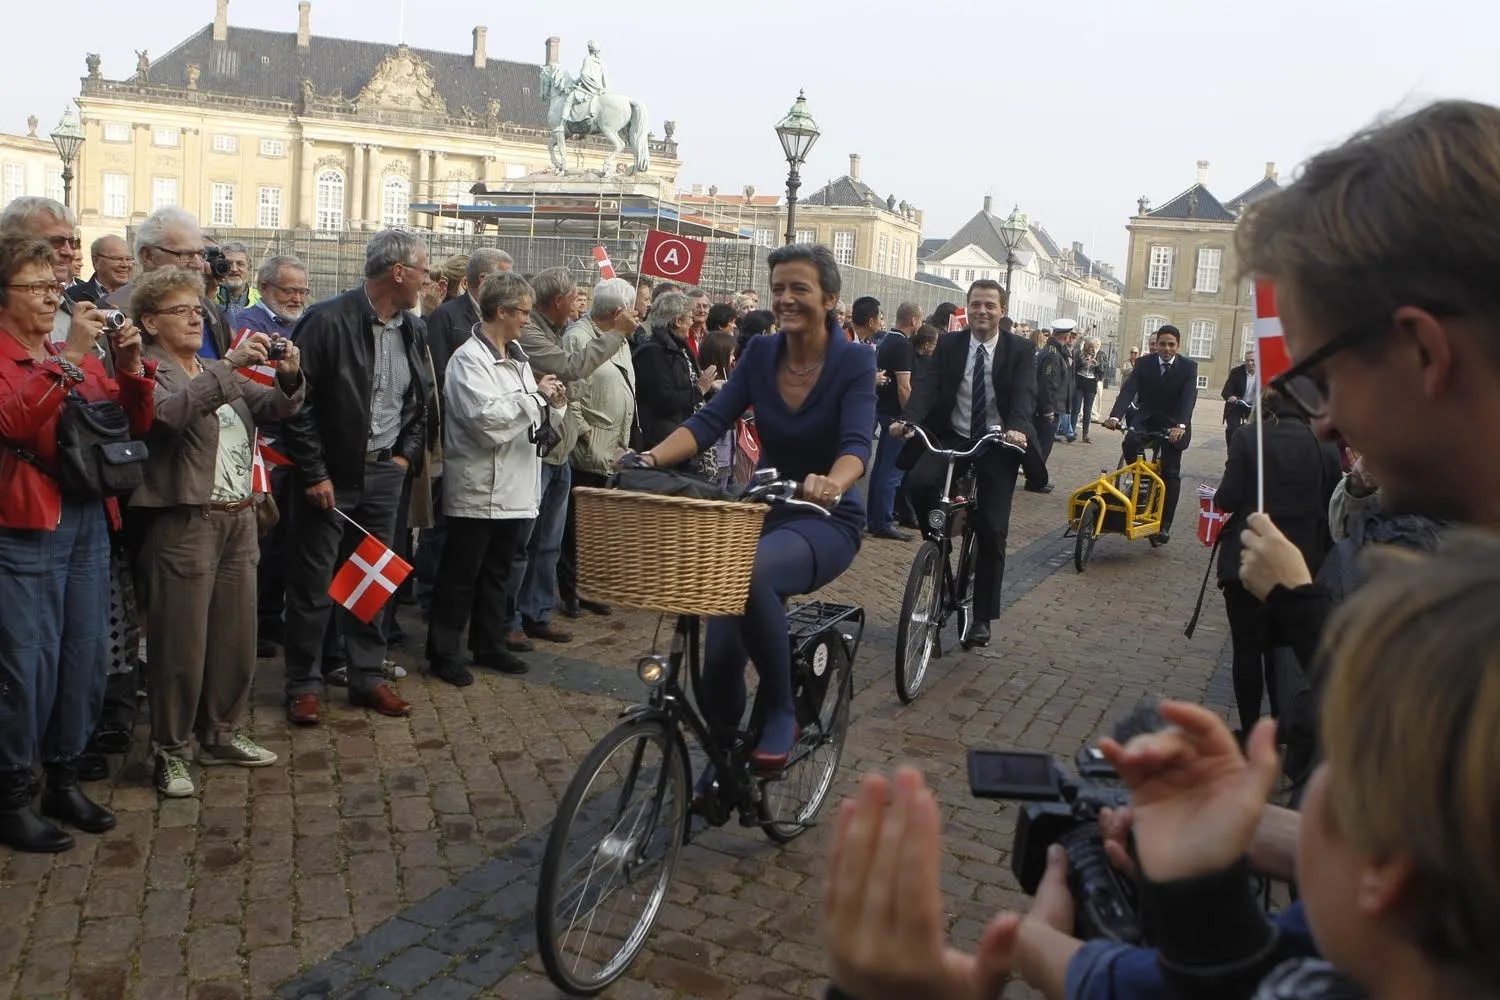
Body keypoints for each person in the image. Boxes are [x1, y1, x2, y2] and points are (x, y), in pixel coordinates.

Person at [632, 243, 874, 771]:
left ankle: (783, 709)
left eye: (799, 289)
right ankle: (723, 770)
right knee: (718, 658)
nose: (785, 299)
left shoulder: (853, 360)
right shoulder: (761, 353)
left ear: (830, 298)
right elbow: (709, 421)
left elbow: (857, 444)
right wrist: (648, 458)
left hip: (824, 518)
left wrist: (832, 483)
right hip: (762, 509)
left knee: (752, 574)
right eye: (779, 289)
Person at [0, 235, 155, 852]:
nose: (49, 297)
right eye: (35, 288)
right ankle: (14, 792)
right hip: (26, 522)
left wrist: (132, 368)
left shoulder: (76, 349)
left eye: (52, 287)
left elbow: (125, 424)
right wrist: (67, 358)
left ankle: (63, 774)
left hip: (90, 517)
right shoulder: (24, 352)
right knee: (26, 663)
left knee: (85, 655)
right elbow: (14, 420)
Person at [128, 266, 304, 797]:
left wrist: (291, 374)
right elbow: (169, 416)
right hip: (184, 521)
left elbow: (271, 406)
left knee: (234, 638)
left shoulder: (209, 365)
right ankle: (171, 749)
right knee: (180, 645)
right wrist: (228, 366)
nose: (195, 317)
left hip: (239, 516)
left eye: (197, 310)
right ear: (150, 321)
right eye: (181, 310)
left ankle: (222, 732)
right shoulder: (147, 370)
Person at [280, 229, 434, 725]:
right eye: (423, 270)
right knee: (313, 582)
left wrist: (405, 457)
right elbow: (296, 405)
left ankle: (366, 675)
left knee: (372, 580)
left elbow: (420, 402)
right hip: (331, 477)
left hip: (386, 472)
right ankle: (303, 682)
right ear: (398, 272)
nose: (427, 281)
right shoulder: (327, 321)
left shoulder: (412, 328)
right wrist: (314, 472)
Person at [426, 272, 566, 686]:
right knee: (460, 575)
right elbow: (485, 420)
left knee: (498, 572)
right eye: (523, 312)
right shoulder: (469, 359)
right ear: (500, 311)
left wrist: (550, 405)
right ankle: (444, 651)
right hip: (480, 487)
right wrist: (534, 398)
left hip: (517, 486)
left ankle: (489, 643)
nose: (528, 319)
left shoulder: (519, 357)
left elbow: (526, 415)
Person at [894, 280, 1034, 650]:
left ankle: (983, 617)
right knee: (920, 484)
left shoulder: (1020, 349)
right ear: (966, 309)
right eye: (975, 304)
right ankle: (936, 546)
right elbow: (927, 386)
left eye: (989, 305)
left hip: (997, 440)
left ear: (1001, 311)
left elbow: (1024, 393)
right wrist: (909, 420)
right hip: (953, 435)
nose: (981, 311)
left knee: (991, 527)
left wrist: (1018, 428)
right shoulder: (950, 344)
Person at [1214, 387, 1341, 734]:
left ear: (1269, 403)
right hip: (1300, 563)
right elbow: (1333, 507)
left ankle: (1252, 730)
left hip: (1249, 554)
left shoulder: (1247, 436)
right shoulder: (1326, 447)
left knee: (1247, 649)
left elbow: (1227, 497)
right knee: (1284, 651)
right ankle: (1283, 727)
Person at [1103, 324, 1197, 544]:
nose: (1166, 349)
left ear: (1178, 346)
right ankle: (1141, 477)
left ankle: (1164, 525)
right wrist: (1115, 416)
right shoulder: (1145, 364)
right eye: (1162, 344)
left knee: (1171, 472)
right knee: (1130, 440)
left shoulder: (1188, 367)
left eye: (1171, 344)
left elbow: (1188, 398)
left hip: (1175, 422)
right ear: (1157, 345)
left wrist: (1181, 426)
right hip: (1149, 417)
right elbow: (1129, 390)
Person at [868, 302, 917, 540]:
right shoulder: (903, 345)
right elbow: (904, 386)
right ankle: (883, 521)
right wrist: (910, 417)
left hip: (883, 410)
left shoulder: (887, 340)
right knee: (892, 471)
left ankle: (875, 518)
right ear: (914, 321)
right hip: (896, 416)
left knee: (881, 470)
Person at [1070, 337, 1103, 443]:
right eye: (1088, 346)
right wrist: (1083, 363)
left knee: (1088, 410)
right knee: (1076, 408)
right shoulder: (1079, 353)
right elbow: (1074, 367)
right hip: (1080, 380)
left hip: (1091, 383)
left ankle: (1085, 434)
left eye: (1092, 346)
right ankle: (1071, 432)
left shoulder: (1100, 355)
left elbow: (1103, 372)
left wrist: (1096, 365)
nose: (1090, 349)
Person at [1221, 349, 1256, 447]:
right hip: (1237, 404)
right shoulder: (1236, 372)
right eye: (1247, 360)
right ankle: (1231, 449)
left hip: (1255, 406)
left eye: (1253, 360)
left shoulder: (1264, 373)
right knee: (1233, 427)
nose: (1249, 363)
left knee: (1260, 428)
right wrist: (1232, 397)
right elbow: (1226, 391)